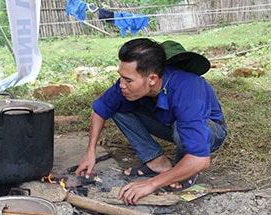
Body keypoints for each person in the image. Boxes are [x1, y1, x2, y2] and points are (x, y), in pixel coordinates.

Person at [75, 38, 227, 205]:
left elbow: (200, 159)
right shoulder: (127, 84)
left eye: (128, 80)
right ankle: (157, 162)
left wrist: (150, 184)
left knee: (181, 130)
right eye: (121, 78)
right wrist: (90, 153)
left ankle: (185, 170)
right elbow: (100, 110)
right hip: (170, 124)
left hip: (210, 131)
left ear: (152, 79)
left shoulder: (188, 88)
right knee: (116, 107)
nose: (122, 85)